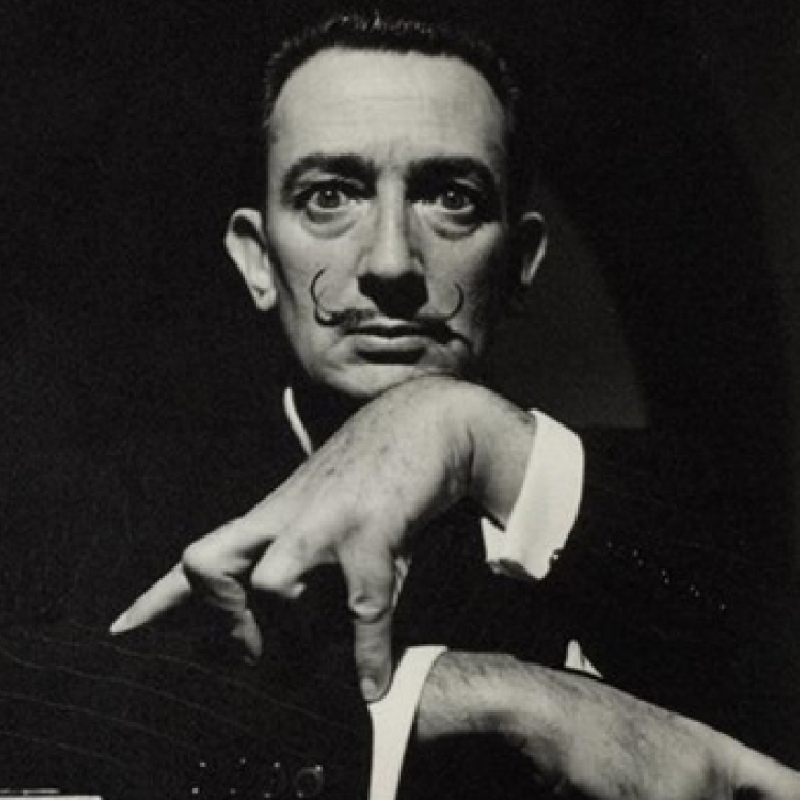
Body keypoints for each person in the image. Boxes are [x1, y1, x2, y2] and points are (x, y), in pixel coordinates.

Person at [101, 9, 800, 799]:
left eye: (451, 199)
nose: (392, 262)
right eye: (330, 195)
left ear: (520, 262)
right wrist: (462, 700)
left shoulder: (668, 520)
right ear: (258, 260)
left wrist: (469, 431)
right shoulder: (114, 515)